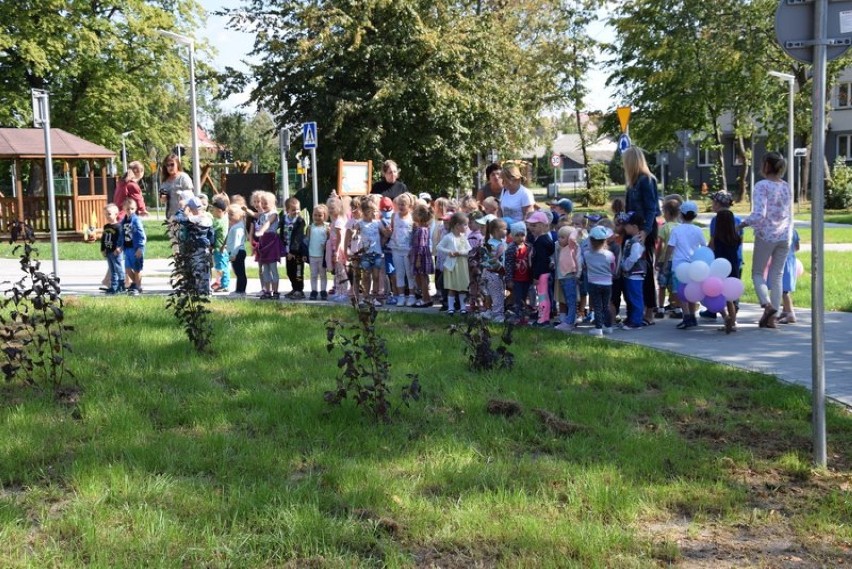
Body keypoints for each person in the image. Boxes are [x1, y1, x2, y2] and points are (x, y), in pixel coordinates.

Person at [739, 152, 794, 329]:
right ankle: (773, 317)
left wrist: (741, 225)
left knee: (757, 273)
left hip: (766, 236)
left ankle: (767, 305)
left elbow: (759, 214)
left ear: (766, 166)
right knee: (777, 275)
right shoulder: (786, 186)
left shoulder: (762, 185)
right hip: (785, 236)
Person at [622, 146, 661, 322]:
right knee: (632, 269)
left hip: (645, 230)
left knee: (644, 269)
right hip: (633, 230)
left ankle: (650, 310)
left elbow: (651, 208)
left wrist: (645, 231)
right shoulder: (633, 183)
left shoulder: (646, 180)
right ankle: (636, 309)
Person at [701, 190, 742, 320]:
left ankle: (716, 311)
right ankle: (733, 316)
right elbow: (740, 239)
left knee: (718, 287)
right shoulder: (737, 220)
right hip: (736, 260)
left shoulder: (716, 220)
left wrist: (705, 254)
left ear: (718, 204)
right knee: (732, 290)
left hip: (720, 262)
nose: (712, 204)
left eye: (713, 201)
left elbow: (713, 241)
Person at [667, 201, 706, 329]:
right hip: (694, 265)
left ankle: (687, 316)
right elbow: (704, 246)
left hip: (679, 265)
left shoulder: (676, 230)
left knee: (681, 292)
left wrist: (664, 262)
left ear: (681, 214)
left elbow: (670, 247)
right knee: (692, 291)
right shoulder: (698, 230)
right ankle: (693, 317)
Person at [580, 225, 616, 337]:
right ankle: (608, 326)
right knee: (606, 306)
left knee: (597, 306)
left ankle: (598, 328)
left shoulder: (587, 254)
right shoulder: (609, 255)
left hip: (593, 283)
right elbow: (613, 268)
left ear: (590, 240)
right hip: (607, 283)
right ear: (605, 240)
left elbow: (584, 266)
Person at [709, 209, 741, 333]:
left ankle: (725, 316)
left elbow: (710, 249)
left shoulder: (717, 238)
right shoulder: (736, 238)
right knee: (730, 298)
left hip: (720, 269)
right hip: (733, 268)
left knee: (716, 295)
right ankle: (732, 322)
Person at [436, 212, 471, 315]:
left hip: (462, 265)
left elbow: (469, 250)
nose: (466, 227)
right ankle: (451, 307)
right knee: (452, 287)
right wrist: (449, 252)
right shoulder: (449, 237)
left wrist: (460, 253)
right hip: (452, 266)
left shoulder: (463, 237)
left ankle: (463, 307)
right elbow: (439, 246)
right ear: (457, 225)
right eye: (464, 225)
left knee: (462, 287)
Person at [620, 211, 647, 329]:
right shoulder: (631, 240)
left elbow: (633, 258)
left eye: (626, 225)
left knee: (636, 298)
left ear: (635, 227)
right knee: (630, 298)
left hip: (635, 274)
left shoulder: (636, 243)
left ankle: (636, 322)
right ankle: (631, 319)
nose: (624, 227)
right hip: (629, 274)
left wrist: (625, 266)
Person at [527, 211, 554, 327]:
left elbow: (541, 261)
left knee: (542, 296)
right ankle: (545, 317)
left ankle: (542, 319)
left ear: (543, 226)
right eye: (530, 225)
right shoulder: (544, 239)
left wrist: (536, 276)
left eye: (535, 225)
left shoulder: (541, 242)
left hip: (542, 274)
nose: (531, 228)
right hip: (544, 273)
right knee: (545, 296)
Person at [655, 199, 681, 319]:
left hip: (664, 260)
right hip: (677, 261)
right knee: (674, 286)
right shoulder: (680, 227)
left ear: (668, 212)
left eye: (664, 211)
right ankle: (676, 307)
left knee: (662, 285)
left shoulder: (664, 228)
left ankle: (660, 307)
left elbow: (660, 245)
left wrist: (657, 259)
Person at [254, 192, 283, 300]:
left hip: (271, 242)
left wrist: (261, 230)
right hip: (263, 242)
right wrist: (245, 210)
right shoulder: (262, 214)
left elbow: (268, 223)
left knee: (273, 268)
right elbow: (254, 215)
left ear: (273, 203)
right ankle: (267, 291)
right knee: (264, 269)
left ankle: (275, 292)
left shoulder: (274, 214)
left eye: (266, 203)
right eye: (262, 203)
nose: (263, 205)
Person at [389, 193, 416, 306]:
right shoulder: (394, 216)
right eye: (399, 204)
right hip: (396, 248)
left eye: (403, 204)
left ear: (409, 206)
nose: (401, 206)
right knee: (399, 273)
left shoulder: (412, 217)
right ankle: (401, 296)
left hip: (408, 249)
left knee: (409, 273)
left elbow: (414, 233)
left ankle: (412, 296)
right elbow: (392, 229)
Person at [356, 198, 385, 306]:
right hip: (366, 254)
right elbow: (354, 231)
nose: (373, 213)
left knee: (376, 276)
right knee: (366, 276)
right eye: (370, 211)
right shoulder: (361, 223)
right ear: (364, 212)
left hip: (377, 253)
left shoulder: (378, 223)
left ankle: (375, 298)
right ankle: (365, 297)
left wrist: (388, 233)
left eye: (375, 211)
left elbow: (385, 234)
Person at [481, 218, 508, 322]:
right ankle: (498, 315)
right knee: (498, 294)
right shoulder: (493, 245)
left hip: (489, 273)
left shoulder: (492, 242)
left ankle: (490, 311)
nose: (506, 231)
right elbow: (490, 261)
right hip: (494, 274)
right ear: (497, 231)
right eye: (504, 229)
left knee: (491, 293)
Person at [553, 224, 579, 331]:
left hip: (570, 277)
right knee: (567, 300)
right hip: (562, 277)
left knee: (571, 301)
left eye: (562, 237)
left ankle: (570, 322)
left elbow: (575, 236)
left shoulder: (572, 246)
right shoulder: (559, 246)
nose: (559, 239)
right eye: (559, 236)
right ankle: (568, 320)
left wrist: (576, 230)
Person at [505, 222, 532, 324]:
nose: (520, 238)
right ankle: (516, 317)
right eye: (517, 235)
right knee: (517, 298)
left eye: (522, 235)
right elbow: (508, 265)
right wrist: (509, 279)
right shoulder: (511, 248)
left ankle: (523, 317)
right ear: (512, 236)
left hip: (526, 278)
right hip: (516, 279)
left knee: (525, 298)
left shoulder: (528, 247)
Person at [281, 197, 307, 300]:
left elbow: (298, 237)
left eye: (297, 209)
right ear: (287, 210)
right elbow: (281, 233)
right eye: (293, 210)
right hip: (287, 251)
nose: (296, 211)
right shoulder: (284, 219)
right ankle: (294, 288)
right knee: (289, 271)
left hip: (297, 252)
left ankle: (299, 290)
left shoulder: (300, 221)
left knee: (298, 272)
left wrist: (293, 251)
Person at [409, 203, 434, 307]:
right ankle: (427, 298)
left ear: (419, 216)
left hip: (421, 256)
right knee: (420, 277)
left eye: (414, 213)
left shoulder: (422, 230)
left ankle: (425, 299)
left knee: (423, 277)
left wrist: (418, 259)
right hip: (419, 255)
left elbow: (421, 245)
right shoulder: (420, 228)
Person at [120, 198, 146, 296]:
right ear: (124, 209)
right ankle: (136, 284)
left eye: (132, 209)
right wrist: (121, 246)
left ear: (135, 209)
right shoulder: (124, 221)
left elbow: (141, 234)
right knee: (127, 268)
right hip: (127, 248)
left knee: (137, 269)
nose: (130, 211)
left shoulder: (136, 220)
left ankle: (137, 287)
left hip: (136, 248)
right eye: (127, 209)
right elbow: (122, 234)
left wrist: (140, 247)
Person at [306, 204, 330, 300]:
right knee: (313, 274)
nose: (317, 217)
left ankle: (323, 291)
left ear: (325, 216)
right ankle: (314, 291)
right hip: (312, 255)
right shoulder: (310, 227)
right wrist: (305, 254)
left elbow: (330, 240)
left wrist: (326, 245)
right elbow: (307, 241)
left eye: (320, 215)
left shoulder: (327, 227)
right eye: (315, 215)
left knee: (323, 274)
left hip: (322, 256)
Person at [159, 154, 194, 219]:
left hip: (185, 215)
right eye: (167, 165)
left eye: (172, 164)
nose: (170, 167)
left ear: (177, 164)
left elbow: (190, 196)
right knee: (173, 229)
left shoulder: (183, 177)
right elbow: (162, 199)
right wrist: (163, 198)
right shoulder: (164, 181)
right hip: (171, 216)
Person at [100, 203, 124, 295]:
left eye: (109, 214)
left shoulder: (119, 227)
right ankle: (113, 286)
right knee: (112, 269)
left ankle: (121, 285)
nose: (107, 216)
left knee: (118, 268)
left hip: (116, 252)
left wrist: (119, 248)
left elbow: (121, 239)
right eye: (105, 214)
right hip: (108, 251)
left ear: (116, 214)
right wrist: (103, 249)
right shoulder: (106, 227)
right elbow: (103, 239)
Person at [778, 229, 801, 324]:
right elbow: (797, 247)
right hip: (791, 260)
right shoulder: (794, 231)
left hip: (783, 260)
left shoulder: (779, 230)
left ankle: (791, 314)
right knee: (786, 287)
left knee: (783, 290)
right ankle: (785, 311)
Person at [225, 204, 247, 296]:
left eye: (232, 214)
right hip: (236, 252)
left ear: (239, 215)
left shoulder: (238, 227)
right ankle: (238, 289)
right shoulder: (237, 225)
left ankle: (241, 291)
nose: (229, 216)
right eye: (229, 214)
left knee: (240, 273)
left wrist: (233, 254)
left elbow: (237, 243)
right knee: (238, 273)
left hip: (238, 252)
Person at [466, 211, 485, 313]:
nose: (469, 224)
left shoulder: (480, 236)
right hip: (470, 263)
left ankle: (481, 303)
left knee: (479, 283)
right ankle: (472, 302)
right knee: (472, 283)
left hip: (477, 264)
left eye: (471, 222)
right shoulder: (469, 234)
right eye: (468, 222)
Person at [210, 197, 230, 293]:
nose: (212, 212)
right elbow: (227, 209)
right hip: (222, 248)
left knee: (221, 268)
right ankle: (223, 283)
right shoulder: (225, 218)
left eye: (213, 210)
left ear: (219, 211)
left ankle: (224, 285)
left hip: (219, 248)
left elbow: (211, 227)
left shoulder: (217, 221)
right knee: (223, 266)